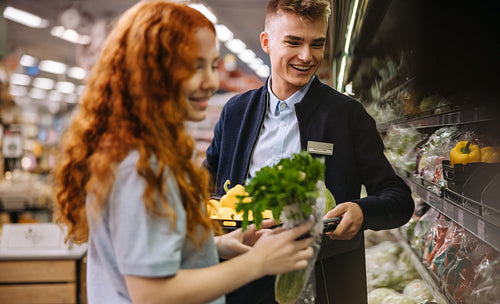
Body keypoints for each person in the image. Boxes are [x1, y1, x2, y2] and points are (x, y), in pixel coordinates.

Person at [52, 2, 315, 304]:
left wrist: (210, 247)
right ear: (153, 71)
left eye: (212, 65)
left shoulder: (136, 151)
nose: (212, 82)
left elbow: (145, 257)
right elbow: (153, 294)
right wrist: (257, 263)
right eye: (194, 66)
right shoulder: (140, 167)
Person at [204, 0, 415, 303]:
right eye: (293, 42)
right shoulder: (236, 112)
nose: (306, 56)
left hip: (325, 282)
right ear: (267, 42)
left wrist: (361, 211)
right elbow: (206, 184)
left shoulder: (347, 115)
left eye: (317, 44)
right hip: (245, 277)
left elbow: (398, 199)